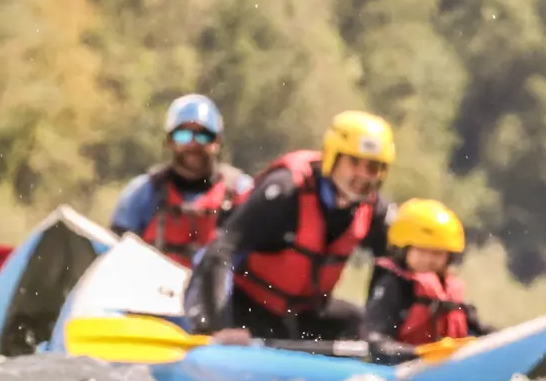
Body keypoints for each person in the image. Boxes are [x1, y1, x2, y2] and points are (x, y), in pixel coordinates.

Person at [185, 111, 396, 345]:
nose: (363, 176)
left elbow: (391, 269)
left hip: (301, 314)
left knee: (356, 323)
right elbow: (221, 251)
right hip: (243, 305)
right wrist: (220, 327)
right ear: (332, 157)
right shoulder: (285, 192)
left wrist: (378, 334)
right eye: (354, 162)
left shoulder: (374, 210)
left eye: (373, 168)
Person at [108, 95, 253, 267]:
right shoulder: (143, 193)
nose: (192, 144)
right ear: (170, 141)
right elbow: (113, 255)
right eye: (183, 135)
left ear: (217, 141)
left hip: (218, 292)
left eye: (203, 136)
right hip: (153, 290)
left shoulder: (242, 192)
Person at [363, 198, 489, 364]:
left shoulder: (448, 290)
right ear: (402, 250)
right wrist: (420, 354)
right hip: (401, 366)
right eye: (421, 251)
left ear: (449, 257)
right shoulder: (392, 286)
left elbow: (482, 331)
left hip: (439, 364)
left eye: (437, 253)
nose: (429, 260)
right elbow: (376, 341)